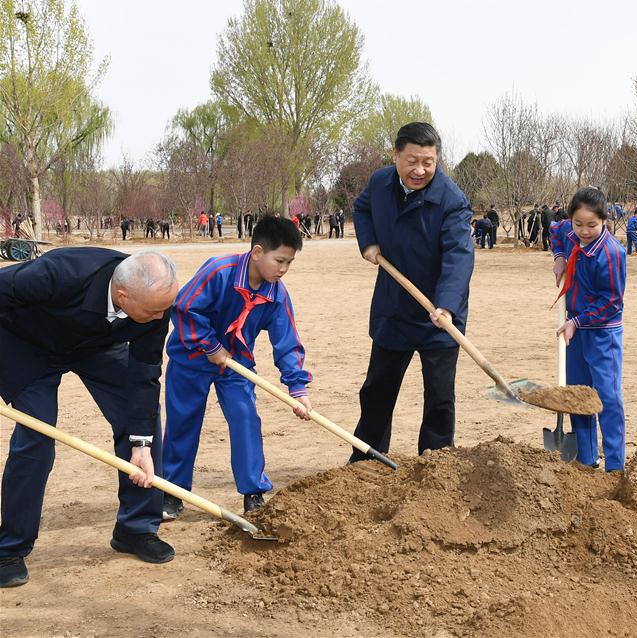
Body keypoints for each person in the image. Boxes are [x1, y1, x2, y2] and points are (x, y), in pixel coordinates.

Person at [0, 249, 180, 587]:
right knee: (37, 437)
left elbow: (145, 373)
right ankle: (10, 547)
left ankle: (135, 528)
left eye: (164, 309)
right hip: (26, 346)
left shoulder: (156, 302)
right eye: (154, 311)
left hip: (94, 345)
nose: (161, 318)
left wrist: (141, 444)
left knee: (141, 419)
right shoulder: (59, 273)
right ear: (123, 295)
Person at [160, 216, 313, 519]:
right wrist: (210, 346)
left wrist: (297, 388)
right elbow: (184, 307)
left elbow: (287, 341)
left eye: (289, 263)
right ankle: (173, 492)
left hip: (236, 364)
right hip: (190, 359)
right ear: (257, 252)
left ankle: (253, 491)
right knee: (183, 422)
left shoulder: (276, 293)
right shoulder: (219, 270)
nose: (283, 269)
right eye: (279, 260)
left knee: (246, 418)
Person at [349, 122, 473, 461]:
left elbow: (459, 258)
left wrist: (446, 305)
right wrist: (369, 242)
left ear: (437, 160)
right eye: (412, 161)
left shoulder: (452, 200)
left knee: (440, 396)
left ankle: (436, 461)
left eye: (428, 162)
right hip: (395, 307)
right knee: (377, 390)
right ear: (396, 156)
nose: (420, 170)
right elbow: (361, 209)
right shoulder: (379, 183)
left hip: (439, 315)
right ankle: (367, 458)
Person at [550, 187, 627, 471]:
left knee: (607, 398)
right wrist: (559, 256)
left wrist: (576, 322)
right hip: (575, 330)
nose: (583, 231)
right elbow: (555, 229)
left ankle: (616, 466)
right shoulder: (568, 233)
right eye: (578, 223)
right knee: (578, 394)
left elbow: (612, 303)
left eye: (591, 225)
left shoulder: (611, 254)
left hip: (602, 334)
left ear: (604, 220)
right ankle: (586, 458)